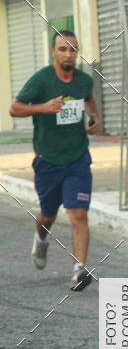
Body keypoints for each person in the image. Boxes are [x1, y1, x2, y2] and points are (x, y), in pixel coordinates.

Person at [10, 29, 101, 291]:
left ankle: (78, 271)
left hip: (78, 159)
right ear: (54, 52)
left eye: (73, 49)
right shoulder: (41, 81)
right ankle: (41, 240)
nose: (68, 54)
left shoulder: (84, 81)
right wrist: (43, 107)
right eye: (63, 49)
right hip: (48, 160)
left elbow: (89, 100)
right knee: (47, 216)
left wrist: (94, 119)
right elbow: (14, 108)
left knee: (78, 215)